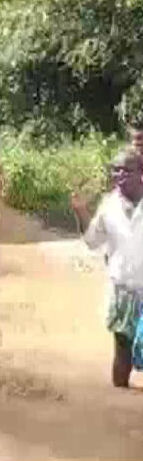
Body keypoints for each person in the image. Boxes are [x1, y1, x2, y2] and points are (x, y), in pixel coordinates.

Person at [71, 147, 143, 387]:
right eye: (116, 170)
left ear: (141, 173)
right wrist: (81, 212)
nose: (120, 175)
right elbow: (92, 241)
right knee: (122, 353)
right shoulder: (109, 206)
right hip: (122, 290)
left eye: (126, 170)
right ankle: (119, 402)